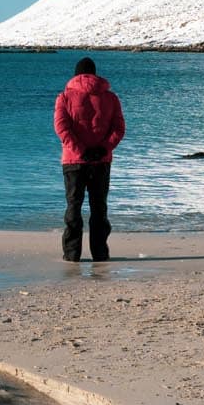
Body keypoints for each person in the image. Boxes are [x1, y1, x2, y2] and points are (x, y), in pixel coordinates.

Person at [53, 57, 124, 262]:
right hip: (101, 161)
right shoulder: (111, 98)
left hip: (73, 161)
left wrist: (80, 150)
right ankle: (100, 254)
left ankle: (72, 254)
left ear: (76, 75)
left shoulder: (64, 97)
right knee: (99, 208)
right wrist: (103, 148)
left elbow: (61, 128)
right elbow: (119, 129)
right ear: (95, 74)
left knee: (73, 207)